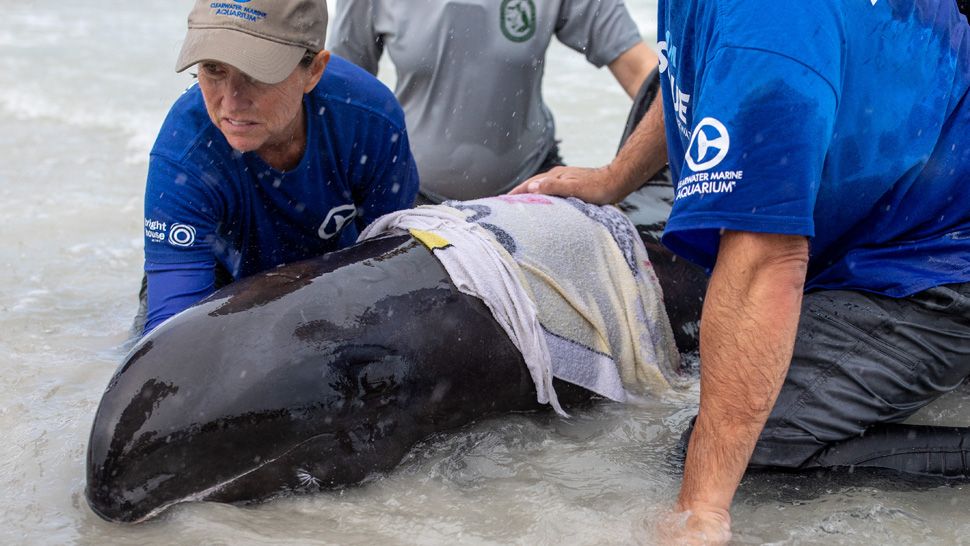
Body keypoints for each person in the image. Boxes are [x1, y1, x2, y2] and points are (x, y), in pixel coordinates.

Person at [512, 0, 970, 542]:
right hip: (909, 204)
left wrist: (700, 509)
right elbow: (701, 66)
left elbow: (766, 260)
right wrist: (617, 177)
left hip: (932, 266)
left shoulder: (770, 21)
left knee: (755, 452)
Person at [138, 0, 419, 334]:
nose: (231, 102)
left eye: (257, 73)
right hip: (218, 289)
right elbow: (173, 337)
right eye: (213, 69)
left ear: (314, 71)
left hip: (334, 277)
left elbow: (395, 274)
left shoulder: (371, 121)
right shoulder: (183, 154)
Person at [327, 0, 657, 203]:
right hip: (414, 195)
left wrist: (696, 147)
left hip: (531, 186)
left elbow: (642, 70)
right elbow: (338, 97)